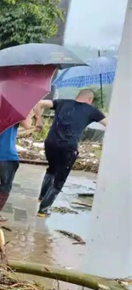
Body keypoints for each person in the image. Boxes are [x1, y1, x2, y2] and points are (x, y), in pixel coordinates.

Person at [34, 89, 107, 217]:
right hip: (68, 147)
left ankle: (41, 198)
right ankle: (43, 209)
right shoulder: (92, 110)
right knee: (60, 178)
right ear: (90, 100)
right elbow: (110, 125)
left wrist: (39, 121)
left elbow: (39, 103)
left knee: (51, 170)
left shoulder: (62, 102)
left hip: (50, 143)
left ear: (78, 96)